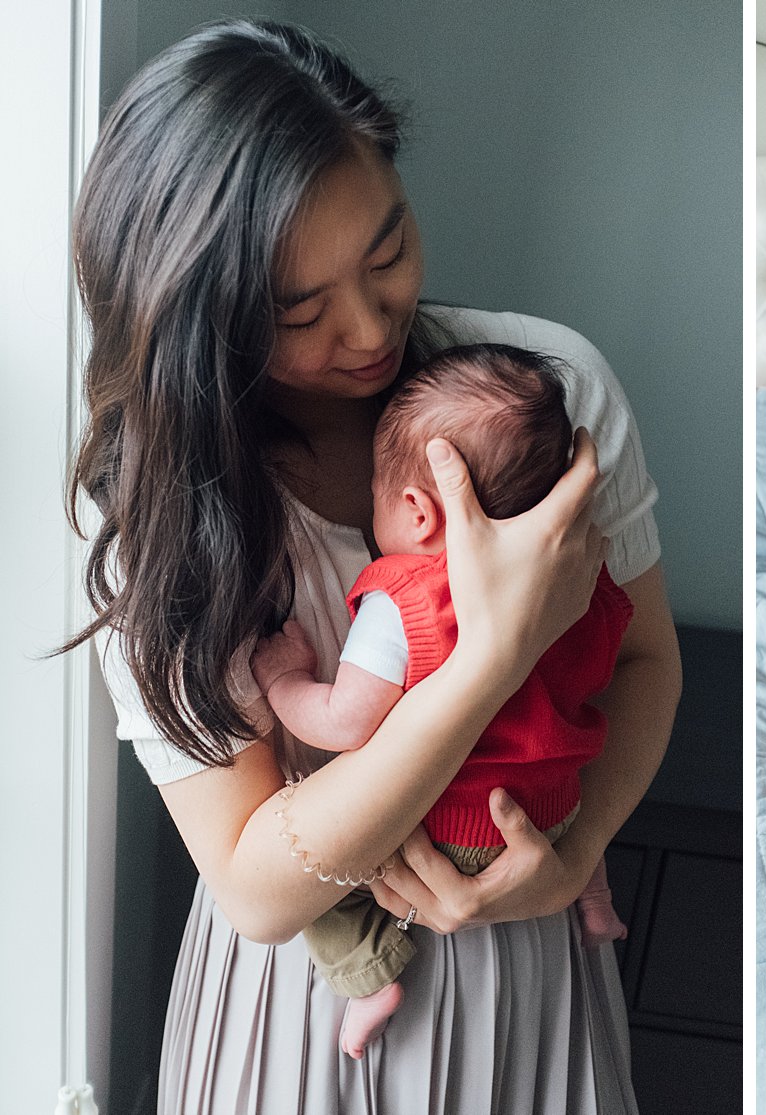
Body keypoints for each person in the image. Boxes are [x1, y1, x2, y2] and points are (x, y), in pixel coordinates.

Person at [66, 20, 680, 1112]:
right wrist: (487, 660)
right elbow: (255, 885)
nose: (364, 328)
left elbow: (644, 664)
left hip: (529, 938)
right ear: (201, 321)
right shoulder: (156, 505)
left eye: (388, 250)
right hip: (301, 987)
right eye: (298, 311)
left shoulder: (554, 395)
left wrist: (577, 844)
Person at [250, 343, 632, 1059]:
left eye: (376, 496)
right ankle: (596, 896)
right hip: (555, 812)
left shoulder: (403, 600)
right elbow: (610, 669)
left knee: (325, 883)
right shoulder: (579, 582)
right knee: (567, 792)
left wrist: (283, 680)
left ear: (418, 511)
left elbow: (345, 723)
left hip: (451, 831)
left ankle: (367, 978)